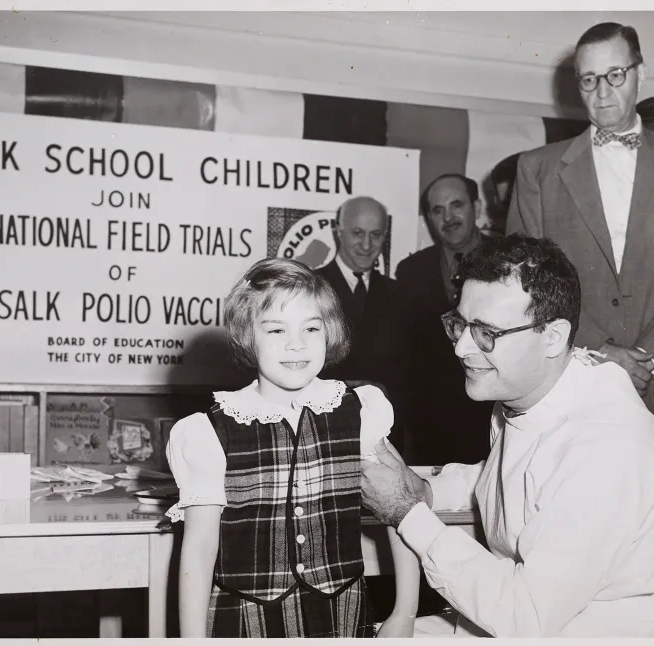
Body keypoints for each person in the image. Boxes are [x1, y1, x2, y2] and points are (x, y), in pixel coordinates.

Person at [360, 234, 654, 637]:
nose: (462, 348)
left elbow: (525, 618)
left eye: (486, 333)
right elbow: (513, 477)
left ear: (552, 337)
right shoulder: (532, 391)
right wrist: (430, 491)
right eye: (460, 325)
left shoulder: (609, 451)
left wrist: (406, 511)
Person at [166, 258, 419, 638]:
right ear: (247, 335)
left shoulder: (361, 411)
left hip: (341, 616)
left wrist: (405, 612)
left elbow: (402, 509)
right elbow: (199, 549)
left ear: (329, 331)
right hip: (245, 621)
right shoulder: (209, 431)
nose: (296, 344)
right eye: (276, 330)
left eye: (311, 328)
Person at [506, 22, 654, 472]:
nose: (603, 92)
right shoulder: (537, 169)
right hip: (575, 393)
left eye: (616, 75)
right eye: (589, 80)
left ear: (639, 75)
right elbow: (527, 282)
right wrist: (598, 351)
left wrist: (652, 358)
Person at [395, 174, 493, 465]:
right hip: (432, 426)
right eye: (437, 210)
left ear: (476, 206)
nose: (447, 217)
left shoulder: (508, 260)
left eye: (456, 205)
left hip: (494, 416)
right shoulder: (411, 271)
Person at [316, 196, 411, 455]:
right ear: (339, 231)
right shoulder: (309, 288)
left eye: (376, 234)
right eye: (358, 233)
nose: (367, 245)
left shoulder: (400, 295)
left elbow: (413, 375)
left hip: (385, 442)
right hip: (323, 437)